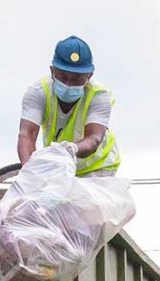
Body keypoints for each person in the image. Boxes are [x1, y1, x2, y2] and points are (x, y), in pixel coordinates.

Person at [17, 35, 121, 177]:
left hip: (96, 168)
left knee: (85, 200)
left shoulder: (99, 96)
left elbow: (94, 138)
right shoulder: (38, 92)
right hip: (59, 168)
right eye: (64, 76)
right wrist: (29, 170)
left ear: (89, 76)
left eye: (77, 78)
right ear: (53, 71)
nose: (69, 84)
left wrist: (72, 148)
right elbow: (27, 135)